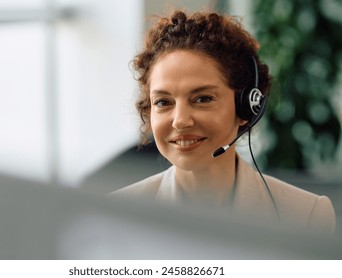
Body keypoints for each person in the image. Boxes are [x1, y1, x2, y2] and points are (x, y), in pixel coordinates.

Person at [112, 10, 336, 235]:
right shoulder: (119, 214)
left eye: (203, 99)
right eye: (163, 102)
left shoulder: (306, 215)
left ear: (247, 107)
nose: (180, 121)